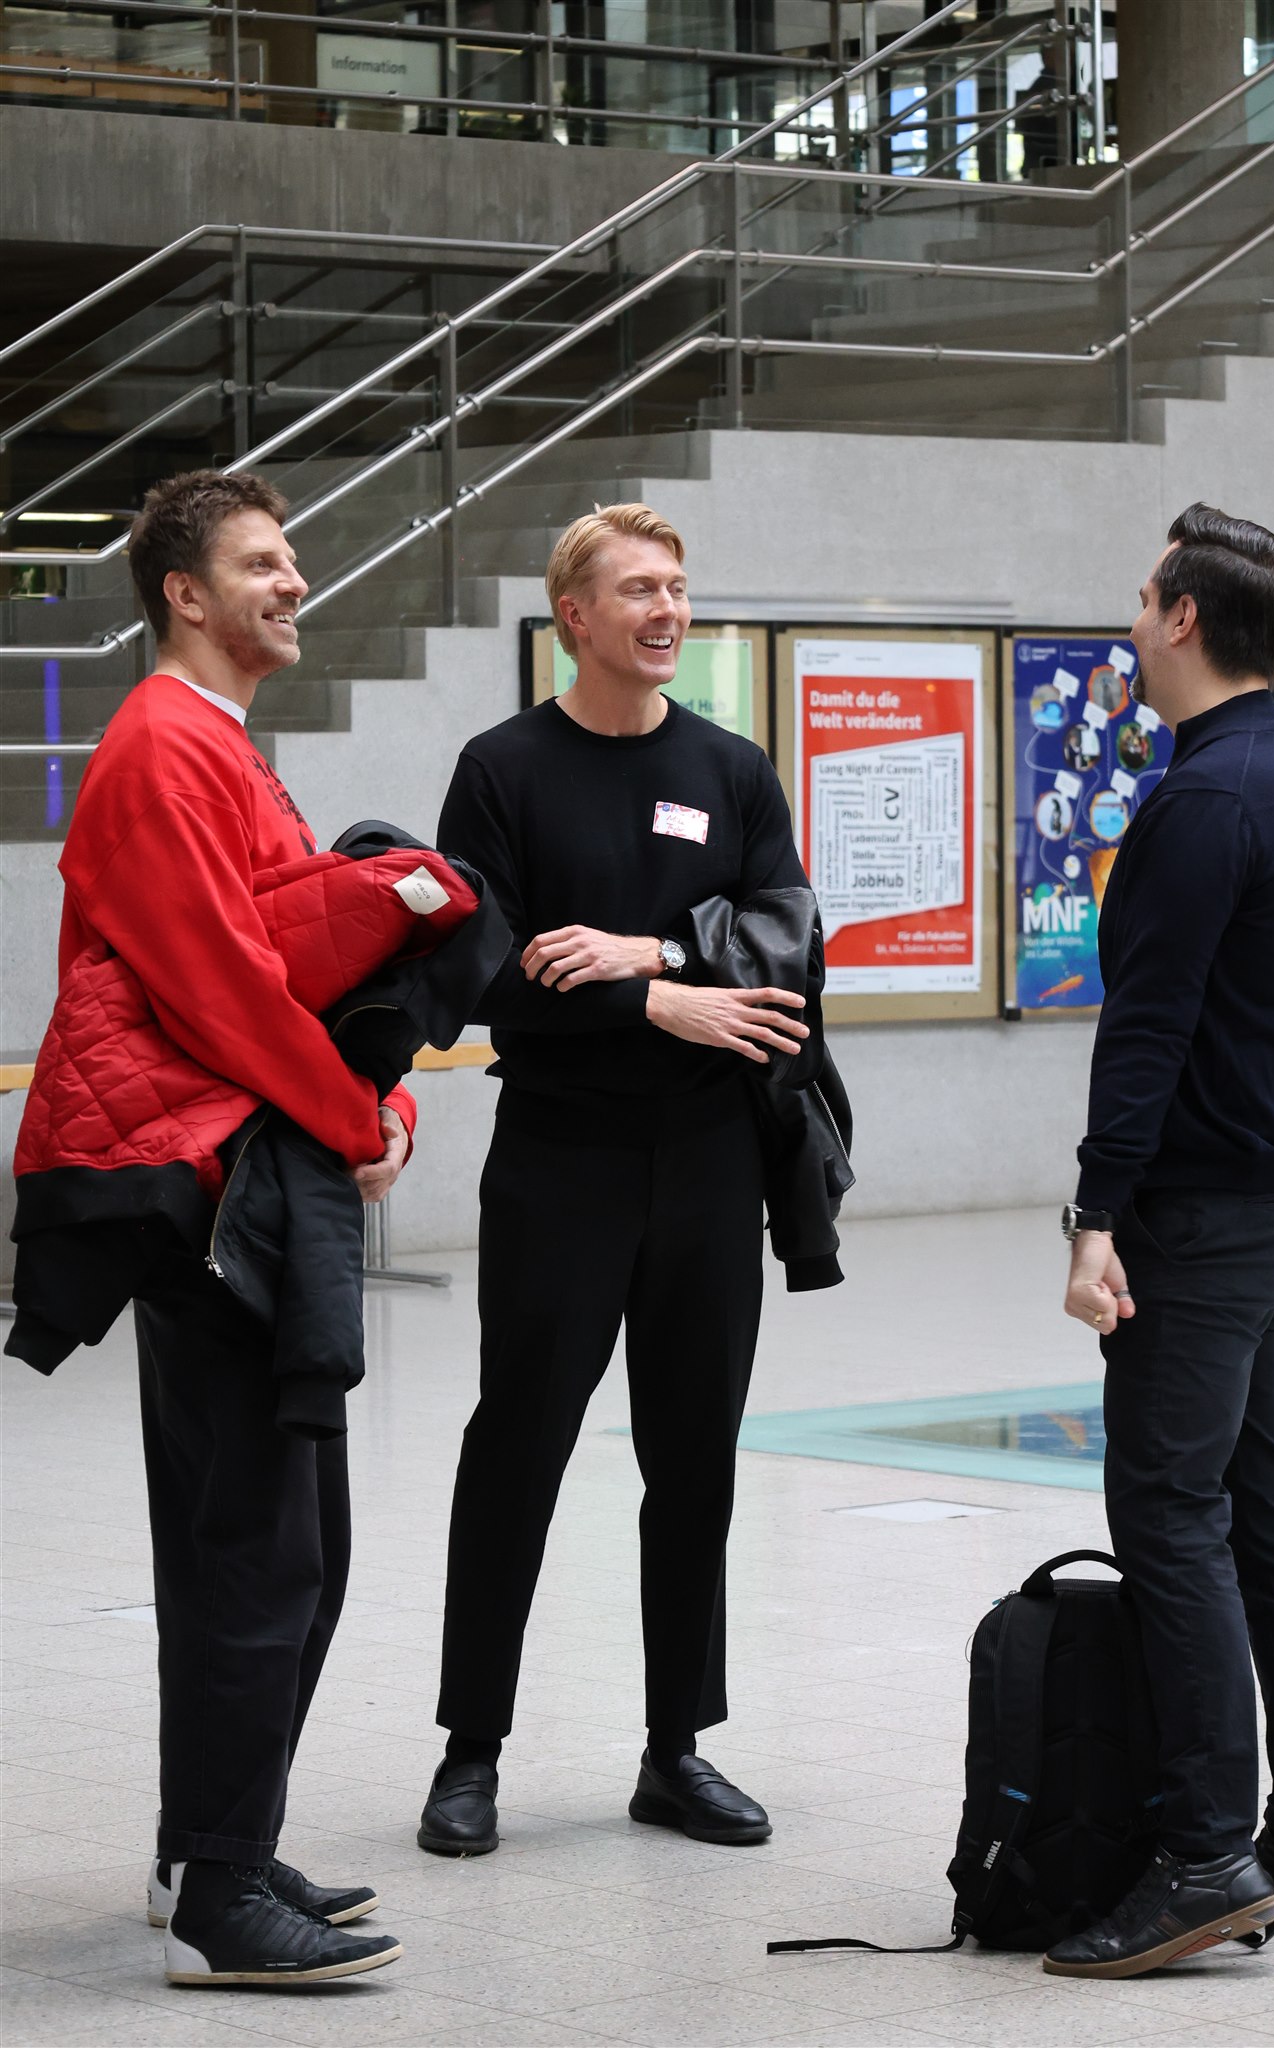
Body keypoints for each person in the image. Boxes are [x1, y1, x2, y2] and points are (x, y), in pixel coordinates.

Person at [10, 472, 407, 1987]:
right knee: (264, 1552)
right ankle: (227, 1893)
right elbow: (219, 986)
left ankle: (210, 1846)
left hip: (247, 1169)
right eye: (261, 562)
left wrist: (372, 1095)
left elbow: (292, 957)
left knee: (277, 1541)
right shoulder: (165, 744)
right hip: (216, 1188)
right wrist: (349, 1116)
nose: (292, 581)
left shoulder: (217, 743)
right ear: (184, 591)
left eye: (291, 558)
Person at [419, 504, 816, 1857]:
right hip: (560, 1158)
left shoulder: (732, 769)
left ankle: (675, 1748)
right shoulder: (501, 770)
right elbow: (480, 973)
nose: (665, 609)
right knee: (516, 1447)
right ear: (572, 616)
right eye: (635, 589)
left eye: (678, 587)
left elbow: (788, 943)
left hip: (708, 1166)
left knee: (693, 1457)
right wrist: (668, 1012)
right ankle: (470, 1751)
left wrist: (650, 960)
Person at [1050, 503, 1274, 1979]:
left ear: (1181, 619)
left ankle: (1200, 1858)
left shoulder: (1201, 802)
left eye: (1138, 597)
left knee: (1169, 1518)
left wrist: (1092, 1215)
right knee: (1264, 1512)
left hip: (1213, 1216)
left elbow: (1150, 1029)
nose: (1127, 620)